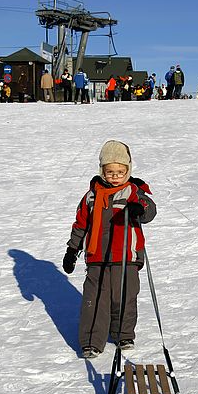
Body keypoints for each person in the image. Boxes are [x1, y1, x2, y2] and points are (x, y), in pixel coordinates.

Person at [62, 140, 157, 358]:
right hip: (97, 257)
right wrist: (72, 250)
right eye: (110, 171)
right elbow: (80, 224)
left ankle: (123, 334)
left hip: (126, 256)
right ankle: (91, 342)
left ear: (128, 170)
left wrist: (138, 208)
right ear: (102, 171)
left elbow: (150, 210)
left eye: (120, 172)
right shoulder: (91, 196)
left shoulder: (133, 191)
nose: (115, 176)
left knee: (125, 296)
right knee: (95, 300)